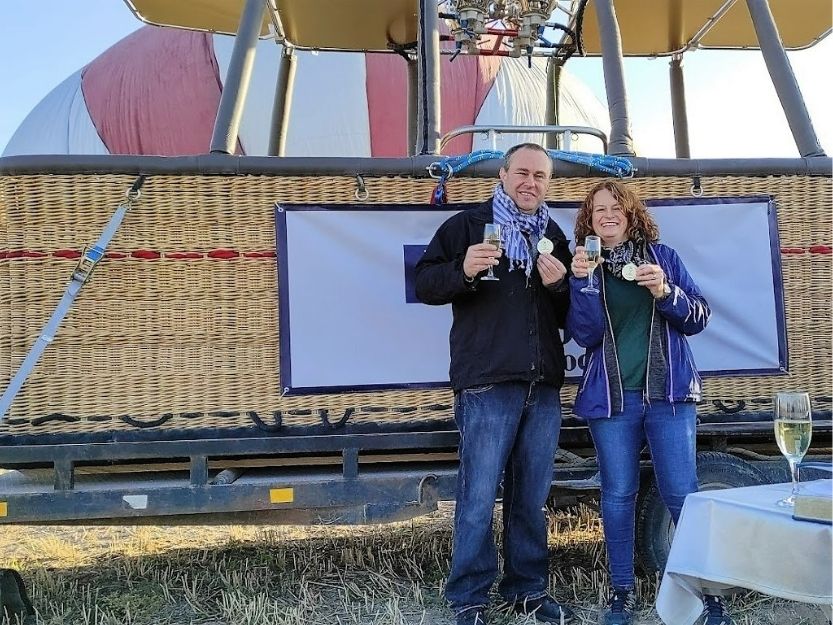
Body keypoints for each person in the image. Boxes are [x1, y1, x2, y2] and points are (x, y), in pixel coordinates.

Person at [415, 143, 575, 625]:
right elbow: (423, 283)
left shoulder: (552, 233)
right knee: (478, 498)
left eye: (541, 176)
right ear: (504, 175)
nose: (532, 182)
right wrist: (463, 269)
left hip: (543, 386)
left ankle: (526, 589)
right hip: (485, 385)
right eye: (523, 172)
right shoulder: (465, 226)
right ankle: (468, 597)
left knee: (530, 498)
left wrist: (560, 286)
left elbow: (571, 315)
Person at [566, 180, 733, 625]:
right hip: (612, 401)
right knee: (618, 494)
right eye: (598, 209)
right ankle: (621, 593)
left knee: (683, 495)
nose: (608, 214)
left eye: (616, 206)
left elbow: (698, 317)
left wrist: (667, 293)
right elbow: (584, 335)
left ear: (630, 213)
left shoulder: (664, 259)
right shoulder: (586, 267)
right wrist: (582, 284)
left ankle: (710, 597)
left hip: (670, 397)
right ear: (589, 220)